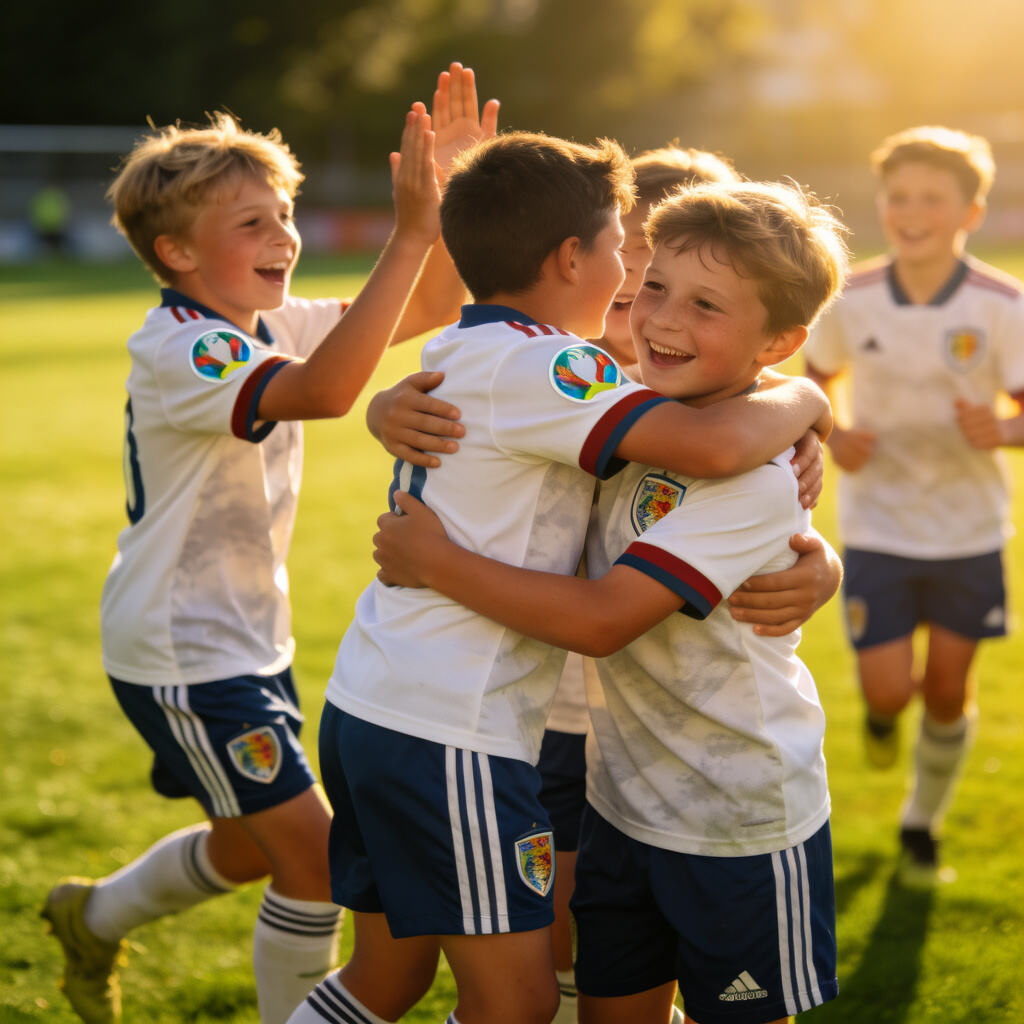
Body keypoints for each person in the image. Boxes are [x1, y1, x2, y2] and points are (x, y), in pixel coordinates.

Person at [288, 133, 832, 1024]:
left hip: (399, 703)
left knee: (393, 979)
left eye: (694, 299)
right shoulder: (567, 375)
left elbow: (728, 456)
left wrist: (803, 417)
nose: (640, 299)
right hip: (455, 724)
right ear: (576, 260)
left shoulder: (503, 357)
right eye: (637, 271)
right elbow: (711, 444)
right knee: (514, 1004)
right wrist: (809, 397)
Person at [40, 63, 500, 1024]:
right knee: (311, 860)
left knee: (249, 845)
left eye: (283, 212)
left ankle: (91, 918)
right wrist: (409, 229)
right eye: (251, 221)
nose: (283, 234)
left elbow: (430, 303)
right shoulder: (185, 344)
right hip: (185, 650)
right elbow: (328, 392)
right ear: (174, 252)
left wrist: (450, 198)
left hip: (243, 637)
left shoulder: (263, 320)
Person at [803, 125, 1024, 884]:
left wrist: (1004, 426)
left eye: (934, 197)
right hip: (878, 524)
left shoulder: (1003, 303)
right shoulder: (851, 296)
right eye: (899, 196)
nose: (912, 210)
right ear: (882, 205)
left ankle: (920, 824)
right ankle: (881, 717)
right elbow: (811, 383)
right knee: (891, 689)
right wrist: (835, 434)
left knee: (949, 690)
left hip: (968, 530)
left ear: (971, 211)